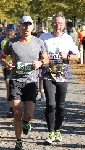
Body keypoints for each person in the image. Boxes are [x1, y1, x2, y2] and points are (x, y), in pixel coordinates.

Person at [0, 16, 49, 150]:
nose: (26, 28)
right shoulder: (11, 43)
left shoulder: (38, 42)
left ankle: (26, 122)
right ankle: (18, 140)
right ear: (19, 26)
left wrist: (40, 62)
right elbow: (1, 57)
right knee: (16, 112)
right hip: (16, 80)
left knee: (29, 114)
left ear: (32, 27)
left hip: (31, 82)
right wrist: (6, 63)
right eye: (24, 25)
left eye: (29, 25)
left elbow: (46, 59)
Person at [39, 13, 79, 144]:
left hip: (63, 76)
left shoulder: (67, 38)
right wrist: (42, 60)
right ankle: (50, 132)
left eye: (60, 23)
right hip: (48, 75)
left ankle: (57, 130)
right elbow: (37, 53)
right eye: (56, 23)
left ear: (63, 25)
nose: (58, 25)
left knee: (61, 106)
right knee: (51, 104)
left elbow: (77, 57)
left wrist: (67, 57)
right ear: (52, 24)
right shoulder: (44, 37)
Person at [0, 24, 16, 117]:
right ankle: (11, 109)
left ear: (14, 31)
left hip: (17, 67)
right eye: (8, 30)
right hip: (7, 67)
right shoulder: (2, 40)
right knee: (9, 87)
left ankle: (18, 106)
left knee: (16, 87)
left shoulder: (18, 40)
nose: (10, 32)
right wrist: (3, 62)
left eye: (11, 31)